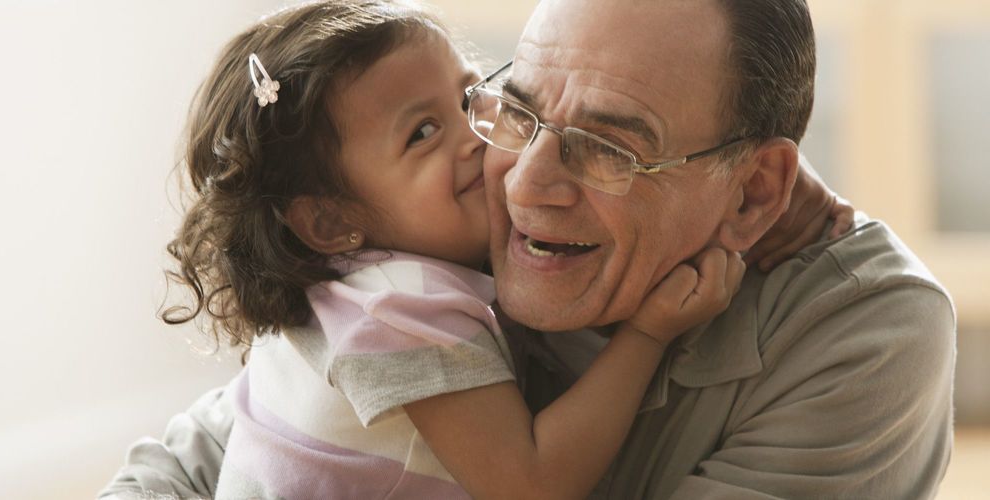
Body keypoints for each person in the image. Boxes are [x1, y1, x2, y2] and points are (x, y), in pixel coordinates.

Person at [100, 0, 951, 498]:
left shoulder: (861, 333)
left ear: (757, 191)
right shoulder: (420, 261)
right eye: (520, 109)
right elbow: (188, 465)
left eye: (611, 147)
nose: (522, 182)